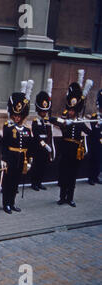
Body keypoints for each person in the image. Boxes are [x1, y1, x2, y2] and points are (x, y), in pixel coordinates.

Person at [49, 70, 93, 207]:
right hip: (66, 150)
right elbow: (51, 119)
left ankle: (70, 197)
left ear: (77, 110)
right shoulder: (65, 121)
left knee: (72, 176)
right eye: (70, 110)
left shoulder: (80, 122)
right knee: (64, 174)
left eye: (73, 110)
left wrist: (93, 123)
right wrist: (64, 122)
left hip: (76, 152)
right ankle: (62, 197)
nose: (71, 112)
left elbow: (89, 132)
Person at [1, 80, 34, 214]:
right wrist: (3, 159)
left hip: (22, 160)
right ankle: (6, 204)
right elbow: (4, 144)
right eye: (14, 115)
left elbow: (29, 146)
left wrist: (30, 160)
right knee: (8, 182)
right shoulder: (8, 128)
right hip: (11, 158)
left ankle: (12, 203)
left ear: (23, 116)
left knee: (16, 183)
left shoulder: (27, 130)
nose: (16, 118)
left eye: (19, 116)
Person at [30, 79, 55, 191]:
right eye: (42, 112)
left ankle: (40, 182)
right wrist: (44, 145)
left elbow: (49, 133)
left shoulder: (47, 121)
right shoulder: (36, 121)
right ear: (39, 111)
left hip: (46, 146)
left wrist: (49, 144)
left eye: (45, 112)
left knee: (43, 165)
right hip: (38, 146)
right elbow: (36, 135)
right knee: (37, 165)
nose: (44, 113)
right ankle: (34, 183)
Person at [87, 89, 101, 185]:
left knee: (100, 160)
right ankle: (91, 177)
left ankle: (96, 176)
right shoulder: (95, 116)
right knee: (94, 159)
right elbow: (93, 129)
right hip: (96, 141)